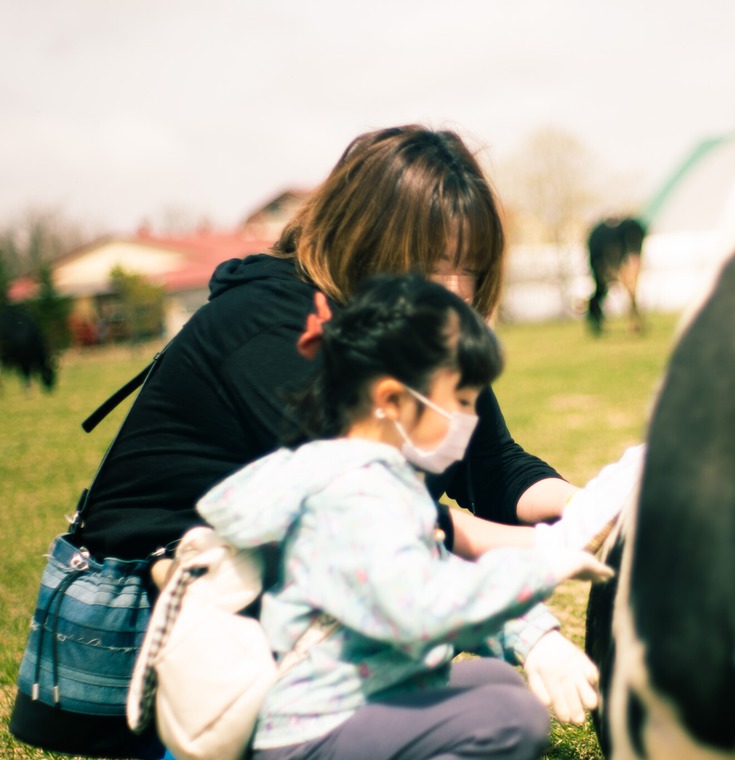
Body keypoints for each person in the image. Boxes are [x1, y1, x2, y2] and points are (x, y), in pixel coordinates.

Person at [9, 125, 638, 758]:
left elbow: (494, 464)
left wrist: (597, 510)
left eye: (468, 268)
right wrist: (544, 571)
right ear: (364, 239)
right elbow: (381, 536)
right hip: (177, 645)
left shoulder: (409, 331)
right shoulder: (273, 326)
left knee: (483, 695)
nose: (451, 289)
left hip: (291, 614)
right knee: (496, 710)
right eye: (427, 263)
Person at [198, 274, 613, 760]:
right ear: (392, 402)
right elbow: (420, 607)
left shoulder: (380, 480)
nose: (469, 421)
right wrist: (540, 569)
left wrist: (533, 634)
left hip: (362, 700)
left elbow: (437, 568)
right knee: (508, 717)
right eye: (460, 402)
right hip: (315, 729)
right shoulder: (355, 497)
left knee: (495, 680)